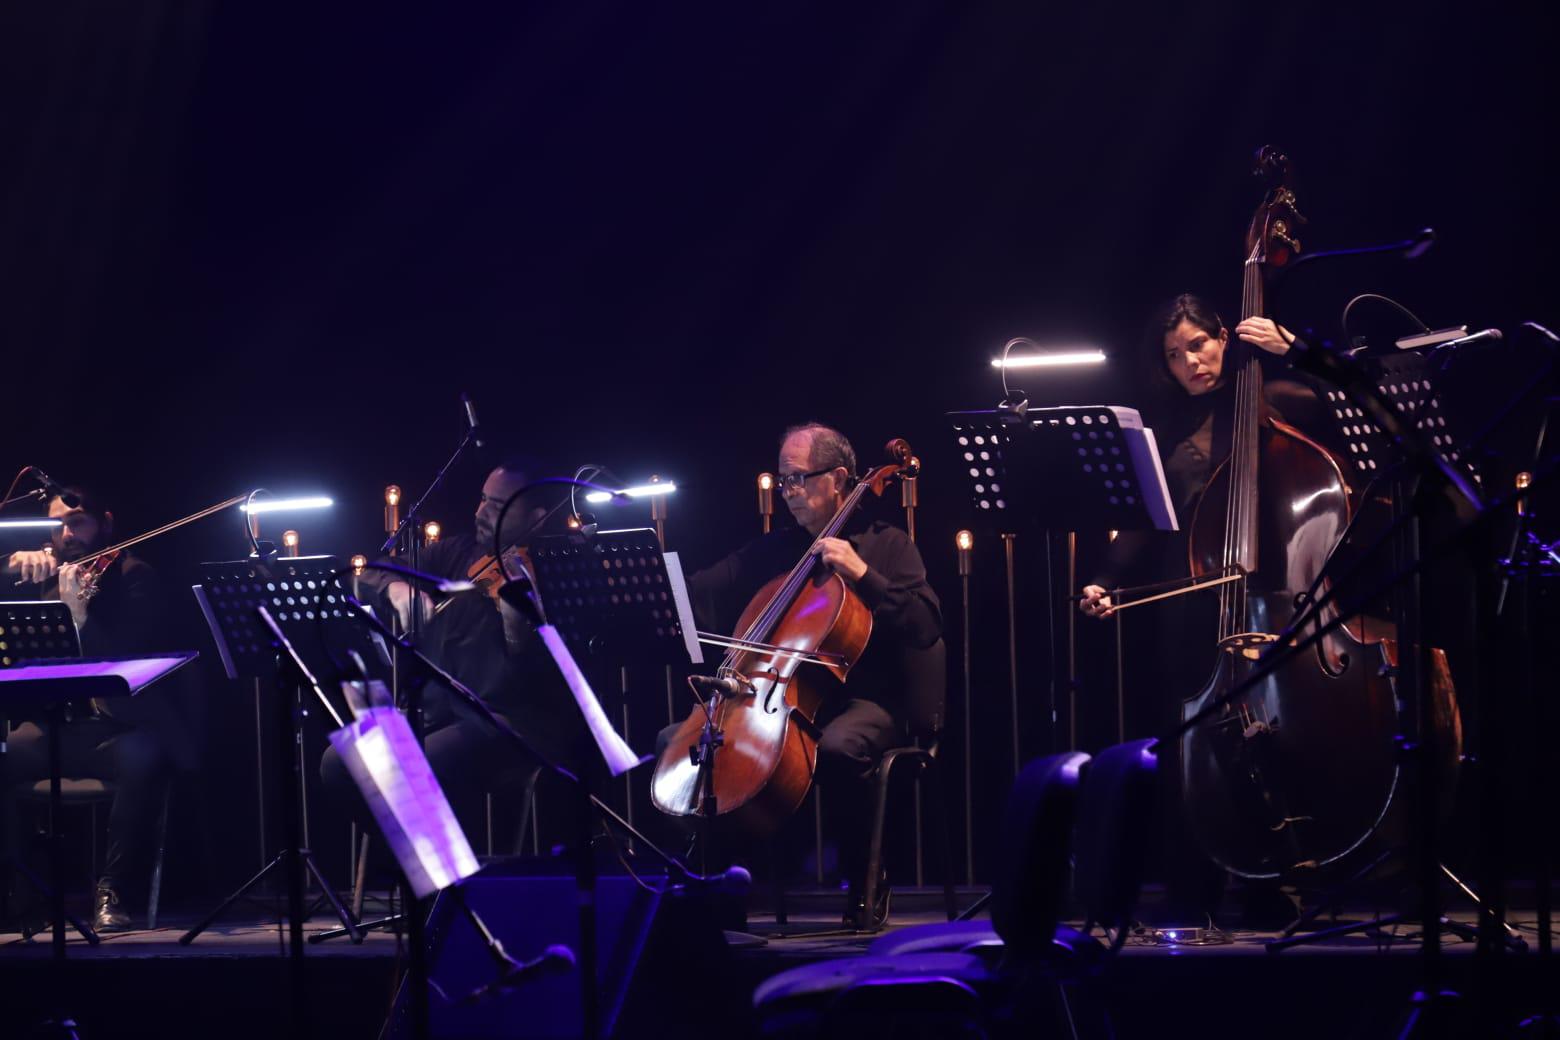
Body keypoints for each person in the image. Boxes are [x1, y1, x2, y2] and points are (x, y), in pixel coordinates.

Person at [658, 422, 944, 929]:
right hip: (782, 700)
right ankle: (721, 896)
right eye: (783, 481)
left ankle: (866, 884)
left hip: (869, 701)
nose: (788, 493)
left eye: (798, 480)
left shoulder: (887, 545)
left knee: (837, 747)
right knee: (684, 743)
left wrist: (862, 574)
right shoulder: (776, 550)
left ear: (837, 479)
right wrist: (653, 580)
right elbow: (701, 589)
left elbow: (924, 626)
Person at [319, 461, 581, 848]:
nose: (480, 512)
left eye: (498, 505)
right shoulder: (454, 554)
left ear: (537, 519)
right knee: (337, 763)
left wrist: (516, 625)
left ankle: (444, 882)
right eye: (482, 500)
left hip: (512, 722)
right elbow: (369, 574)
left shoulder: (556, 572)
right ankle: (425, 870)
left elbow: (535, 678)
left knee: (414, 767)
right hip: (441, 714)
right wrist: (394, 588)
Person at [3, 485, 195, 932]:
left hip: (116, 729)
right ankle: (18, 886)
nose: (67, 533)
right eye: (57, 525)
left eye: (78, 522)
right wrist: (10, 563)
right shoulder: (39, 574)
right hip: (55, 728)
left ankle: (113, 889)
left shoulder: (133, 575)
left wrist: (82, 618)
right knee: (2, 753)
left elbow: (126, 662)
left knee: (141, 756)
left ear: (105, 523)